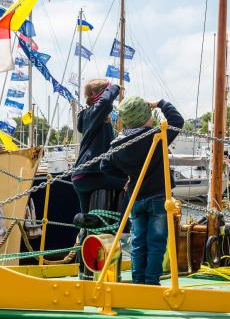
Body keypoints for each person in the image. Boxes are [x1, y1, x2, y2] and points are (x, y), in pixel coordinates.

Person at [100, 96, 184, 285]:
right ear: (145, 116)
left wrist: (126, 177)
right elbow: (177, 121)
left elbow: (105, 166)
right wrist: (160, 104)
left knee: (137, 242)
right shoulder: (156, 135)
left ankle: (138, 280)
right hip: (159, 196)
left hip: (135, 197)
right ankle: (151, 280)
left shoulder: (118, 144)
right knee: (156, 242)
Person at [71, 79, 126, 214]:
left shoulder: (88, 116)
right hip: (91, 175)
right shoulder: (94, 113)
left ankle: (85, 234)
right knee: (129, 183)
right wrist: (115, 87)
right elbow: (106, 102)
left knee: (86, 222)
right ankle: (123, 227)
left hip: (80, 177)